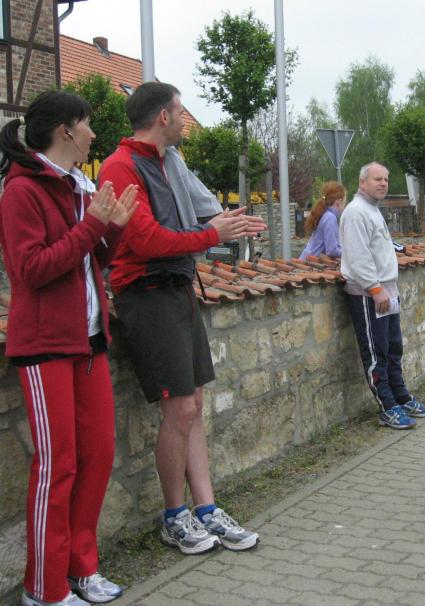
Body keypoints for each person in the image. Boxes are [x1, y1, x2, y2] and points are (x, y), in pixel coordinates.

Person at [98, 82, 265, 555]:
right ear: (163, 117)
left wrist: (218, 227)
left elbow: (183, 228)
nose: (185, 119)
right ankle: (175, 516)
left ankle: (207, 509)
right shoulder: (121, 165)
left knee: (193, 405)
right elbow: (147, 241)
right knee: (180, 409)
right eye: (180, 111)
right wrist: (211, 234)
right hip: (147, 295)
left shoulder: (164, 163)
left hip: (176, 289)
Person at [0, 90, 138, 605]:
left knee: (98, 456)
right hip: (45, 346)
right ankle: (44, 588)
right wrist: (94, 225)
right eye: (86, 125)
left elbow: (90, 258)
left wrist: (112, 232)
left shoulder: (78, 186)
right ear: (65, 131)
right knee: (57, 467)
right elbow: (33, 269)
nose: (93, 134)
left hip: (89, 341)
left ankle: (83, 569)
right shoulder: (21, 191)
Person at [339, 162, 425, 429]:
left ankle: (401, 397)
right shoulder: (356, 212)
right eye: (377, 179)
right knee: (376, 351)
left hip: (386, 290)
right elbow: (358, 257)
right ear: (362, 182)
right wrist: (375, 288)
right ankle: (387, 407)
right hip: (369, 293)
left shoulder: (372, 210)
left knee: (393, 348)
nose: (383, 183)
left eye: (386, 179)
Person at [299, 181, 346, 260]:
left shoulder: (323, 213)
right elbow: (332, 250)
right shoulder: (330, 218)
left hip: (307, 259)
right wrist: (350, 253)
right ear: (339, 202)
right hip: (311, 263)